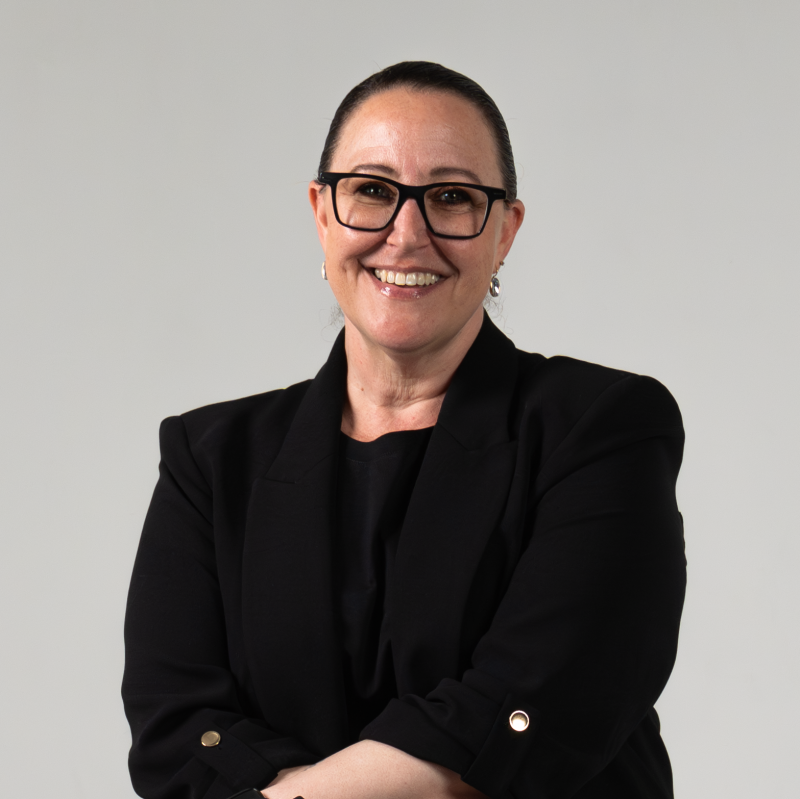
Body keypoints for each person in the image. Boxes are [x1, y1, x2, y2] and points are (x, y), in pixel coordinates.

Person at [122, 61, 686, 799]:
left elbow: (530, 714)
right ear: (322, 213)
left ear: (505, 231)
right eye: (372, 191)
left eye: (452, 197)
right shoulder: (208, 458)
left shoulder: (604, 428)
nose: (406, 234)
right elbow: (176, 737)